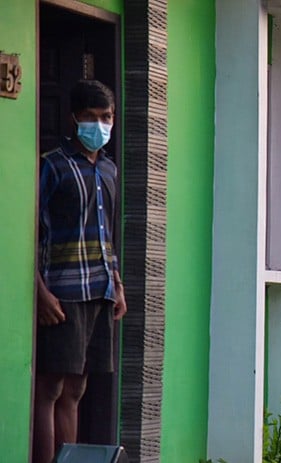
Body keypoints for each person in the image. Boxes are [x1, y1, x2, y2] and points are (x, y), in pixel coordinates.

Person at [33, 80, 127, 463]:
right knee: (49, 389)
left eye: (106, 117)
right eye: (91, 117)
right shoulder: (52, 165)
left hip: (99, 292)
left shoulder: (109, 168)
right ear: (74, 118)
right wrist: (39, 291)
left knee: (76, 389)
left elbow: (107, 233)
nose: (99, 125)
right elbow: (29, 231)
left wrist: (116, 282)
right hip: (63, 293)